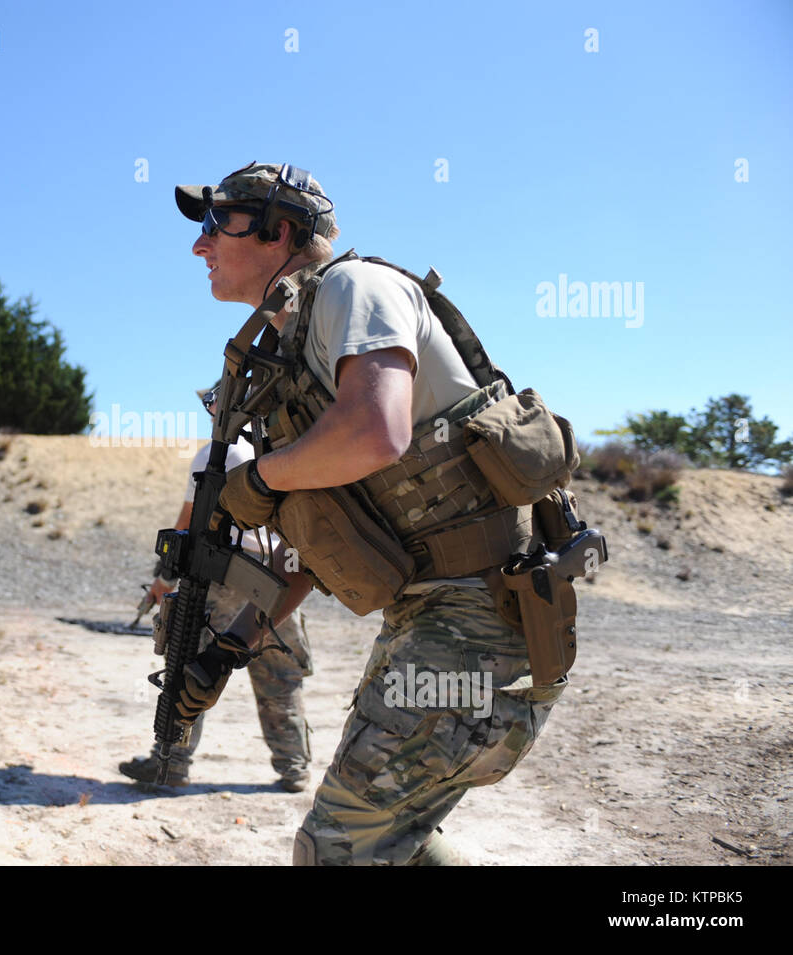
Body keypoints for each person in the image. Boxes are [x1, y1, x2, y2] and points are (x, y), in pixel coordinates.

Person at [168, 161, 572, 865]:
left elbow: (375, 429)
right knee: (395, 844)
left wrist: (261, 474)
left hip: (477, 620)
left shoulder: (353, 289)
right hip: (439, 619)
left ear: (279, 230)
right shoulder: (291, 359)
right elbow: (310, 548)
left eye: (215, 224)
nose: (199, 246)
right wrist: (226, 649)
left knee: (336, 848)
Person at [119, 384, 313, 792]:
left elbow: (187, 526)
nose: (210, 411)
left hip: (226, 574)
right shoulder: (284, 448)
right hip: (281, 574)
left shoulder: (216, 454)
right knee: (278, 674)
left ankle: (171, 762)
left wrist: (162, 581)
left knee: (192, 666)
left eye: (214, 403)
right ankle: (294, 768)